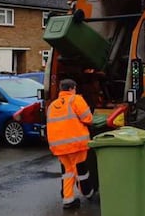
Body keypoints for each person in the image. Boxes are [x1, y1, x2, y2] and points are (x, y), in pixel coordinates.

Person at [46, 78, 95, 209]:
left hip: (58, 146)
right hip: (76, 144)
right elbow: (88, 118)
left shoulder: (52, 105)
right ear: (71, 89)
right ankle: (88, 192)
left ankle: (68, 200)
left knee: (68, 172)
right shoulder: (75, 99)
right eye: (75, 89)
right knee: (81, 170)